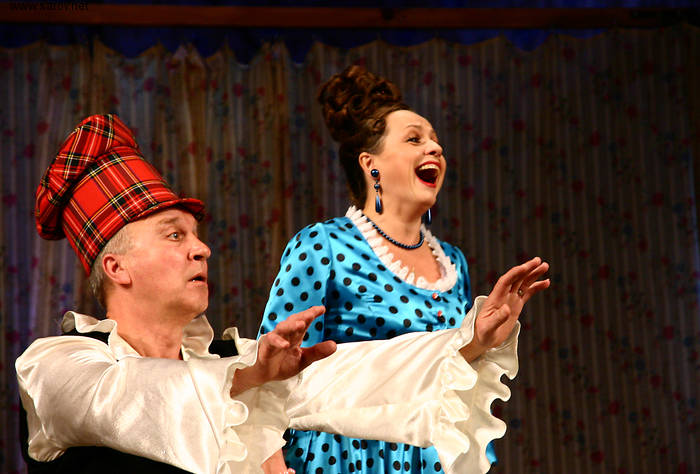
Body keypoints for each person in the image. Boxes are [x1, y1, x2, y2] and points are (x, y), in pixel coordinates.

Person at [17, 114, 549, 474]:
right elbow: (128, 397)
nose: (201, 249)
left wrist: (470, 340)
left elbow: (348, 375)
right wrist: (252, 379)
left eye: (197, 235)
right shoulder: (55, 367)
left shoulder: (233, 361)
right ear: (117, 267)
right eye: (175, 236)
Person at [258, 66, 547, 473]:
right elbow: (270, 369)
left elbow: (449, 380)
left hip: (429, 458)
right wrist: (269, 465)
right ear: (370, 164)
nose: (435, 148)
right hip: (344, 457)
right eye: (414, 139)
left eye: (435, 140)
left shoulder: (453, 262)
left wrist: (479, 341)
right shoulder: (324, 245)